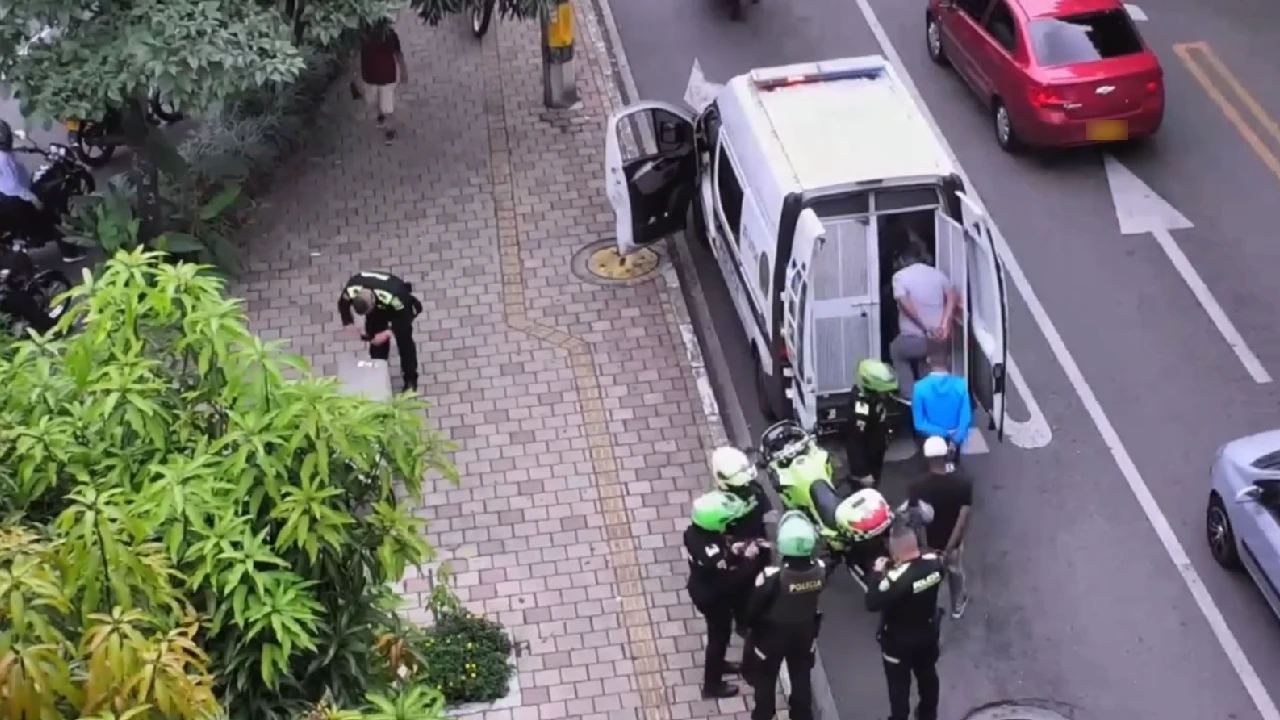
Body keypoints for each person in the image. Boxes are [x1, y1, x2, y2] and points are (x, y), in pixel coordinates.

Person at [741, 511, 825, 720]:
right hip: (804, 633)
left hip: (771, 636)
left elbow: (753, 608)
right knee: (801, 677)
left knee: (766, 678)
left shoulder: (773, 577)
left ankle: (763, 715)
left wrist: (749, 626)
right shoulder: (821, 571)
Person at [865, 520, 945, 720]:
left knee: (898, 688)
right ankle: (928, 713)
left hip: (897, 642)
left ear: (894, 551)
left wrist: (877, 572)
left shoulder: (896, 580)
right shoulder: (935, 565)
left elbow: (872, 602)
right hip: (926, 634)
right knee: (927, 675)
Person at [684, 490, 757, 699]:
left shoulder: (694, 533)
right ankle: (712, 685)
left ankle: (720, 665)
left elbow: (720, 552)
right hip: (713, 597)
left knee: (719, 636)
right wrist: (748, 561)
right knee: (718, 638)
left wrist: (734, 550)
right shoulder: (712, 554)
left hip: (703, 587)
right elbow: (730, 578)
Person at [0, 120, 86, 263]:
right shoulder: (4, 159)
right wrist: (33, 198)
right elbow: (13, 186)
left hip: (6, 197)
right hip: (15, 198)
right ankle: (70, 254)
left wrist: (18, 136)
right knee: (52, 215)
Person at [908, 436, 973, 619]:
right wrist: (948, 549)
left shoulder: (916, 488)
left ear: (926, 458)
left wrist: (925, 547)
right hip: (952, 546)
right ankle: (957, 606)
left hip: (928, 546)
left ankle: (931, 611)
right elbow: (962, 519)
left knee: (929, 579)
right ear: (947, 455)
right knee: (955, 572)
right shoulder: (963, 484)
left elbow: (916, 521)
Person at [888, 248, 957, 400]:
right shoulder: (937, 273)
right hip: (940, 339)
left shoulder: (899, 277)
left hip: (916, 339)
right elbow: (952, 296)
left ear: (903, 262)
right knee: (927, 360)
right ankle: (930, 395)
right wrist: (944, 324)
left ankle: (909, 394)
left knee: (896, 350)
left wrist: (925, 327)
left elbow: (904, 303)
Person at [337, 270, 423, 392]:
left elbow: (405, 317)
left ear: (373, 300)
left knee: (405, 343)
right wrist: (348, 323)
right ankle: (378, 371)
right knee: (376, 341)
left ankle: (410, 379)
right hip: (377, 310)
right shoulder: (352, 289)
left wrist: (388, 332)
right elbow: (343, 304)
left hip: (398, 311)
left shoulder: (395, 296)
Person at [843, 359, 899, 489]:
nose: (885, 394)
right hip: (866, 462)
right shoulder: (861, 407)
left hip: (876, 452)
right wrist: (862, 473)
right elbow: (854, 442)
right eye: (883, 391)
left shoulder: (875, 398)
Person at [349, 18, 408, 143]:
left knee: (387, 105)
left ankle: (389, 130)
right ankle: (381, 115)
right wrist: (353, 74)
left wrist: (403, 71)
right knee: (371, 101)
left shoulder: (390, 35)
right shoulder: (362, 35)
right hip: (369, 77)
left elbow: (398, 54)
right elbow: (355, 54)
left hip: (388, 77)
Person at [911, 348, 972, 460]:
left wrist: (943, 433)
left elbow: (919, 423)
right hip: (954, 438)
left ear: (928, 360)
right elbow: (966, 418)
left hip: (931, 438)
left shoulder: (919, 388)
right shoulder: (961, 385)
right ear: (948, 360)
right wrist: (955, 439)